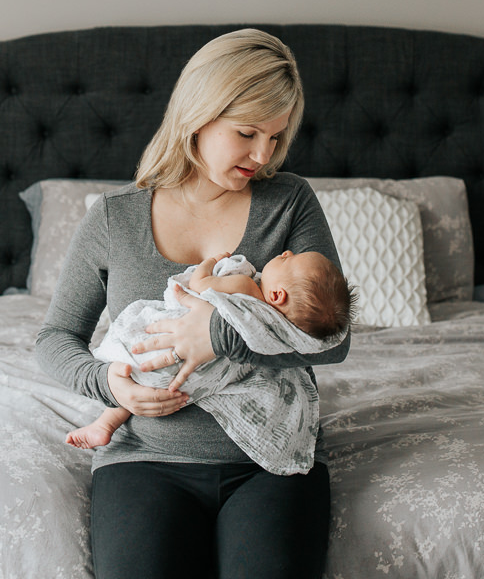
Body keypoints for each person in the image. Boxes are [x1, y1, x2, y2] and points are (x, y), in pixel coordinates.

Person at [36, 29, 348, 579]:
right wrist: (110, 384)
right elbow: (55, 339)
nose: (263, 155)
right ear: (198, 116)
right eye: (248, 132)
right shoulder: (114, 219)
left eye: (276, 139)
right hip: (145, 461)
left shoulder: (290, 201)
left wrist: (217, 336)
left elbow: (332, 339)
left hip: (271, 464)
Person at [65, 248, 355, 455]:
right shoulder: (282, 332)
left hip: (164, 358)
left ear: (277, 295)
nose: (288, 251)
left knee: (139, 361)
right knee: (148, 385)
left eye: (288, 260)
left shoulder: (243, 283)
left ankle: (105, 423)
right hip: (193, 386)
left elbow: (198, 285)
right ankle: (105, 424)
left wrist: (209, 263)